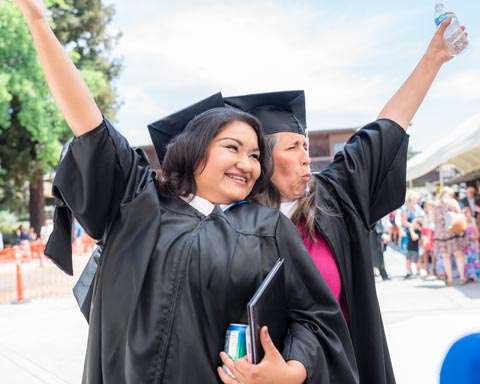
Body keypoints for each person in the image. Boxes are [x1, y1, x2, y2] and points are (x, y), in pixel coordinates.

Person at [14, 1, 358, 383]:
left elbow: (315, 318)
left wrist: (291, 371)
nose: (247, 163)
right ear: (195, 150)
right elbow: (89, 122)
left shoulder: (268, 228)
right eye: (232, 147)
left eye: (256, 155)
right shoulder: (138, 203)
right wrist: (38, 21)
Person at [224, 18, 467, 384]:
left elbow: (385, 129)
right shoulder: (232, 225)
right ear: (264, 160)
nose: (307, 157)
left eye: (307, 146)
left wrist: (433, 58)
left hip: (346, 371)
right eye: (294, 147)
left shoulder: (333, 197)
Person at [433, 187, 467, 286]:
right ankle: (462, 277)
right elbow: (460, 216)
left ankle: (450, 279)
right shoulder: (453, 202)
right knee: (458, 255)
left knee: (445, 257)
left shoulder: (436, 204)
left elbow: (433, 220)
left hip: (441, 234)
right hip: (453, 232)